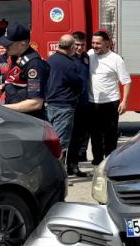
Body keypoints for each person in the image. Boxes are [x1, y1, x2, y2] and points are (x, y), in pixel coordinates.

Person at [87, 30, 132, 165]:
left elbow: (126, 82)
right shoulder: (89, 55)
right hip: (92, 102)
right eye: (93, 43)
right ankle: (97, 161)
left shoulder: (116, 59)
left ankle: (110, 162)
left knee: (110, 135)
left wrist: (124, 102)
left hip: (110, 103)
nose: (94, 46)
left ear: (107, 44)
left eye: (98, 43)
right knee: (94, 135)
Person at [46, 34, 87, 176]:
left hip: (50, 104)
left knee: (52, 140)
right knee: (60, 144)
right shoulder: (69, 63)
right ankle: (57, 175)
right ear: (70, 47)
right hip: (64, 106)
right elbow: (78, 83)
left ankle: (55, 171)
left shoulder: (51, 59)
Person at [0, 23, 49, 120]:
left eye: (8, 45)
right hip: (16, 117)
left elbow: (36, 103)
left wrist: (1, 109)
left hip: (30, 120)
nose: (5, 47)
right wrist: (4, 86)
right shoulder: (15, 57)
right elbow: (20, 83)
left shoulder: (34, 65)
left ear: (22, 44)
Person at [67, 31, 93, 176]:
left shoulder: (85, 58)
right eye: (77, 45)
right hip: (69, 104)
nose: (79, 48)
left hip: (83, 104)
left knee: (78, 137)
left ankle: (73, 165)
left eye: (82, 45)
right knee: (66, 137)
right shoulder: (67, 58)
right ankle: (61, 167)